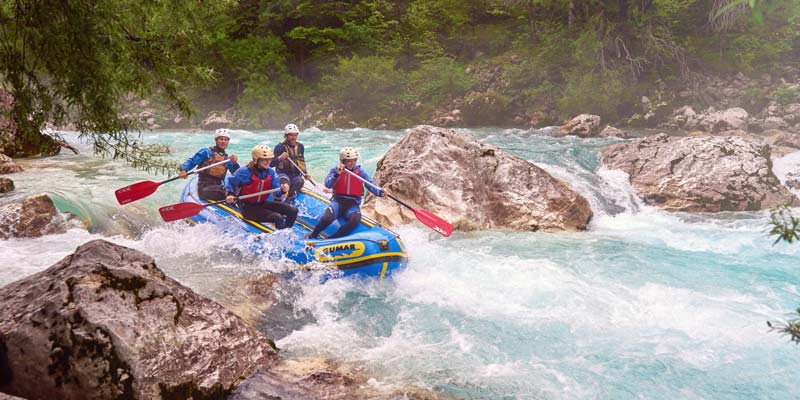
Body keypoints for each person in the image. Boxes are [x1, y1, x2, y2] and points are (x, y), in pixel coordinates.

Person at [305, 147, 389, 239]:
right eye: (349, 161)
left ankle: (334, 238)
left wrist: (380, 192)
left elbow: (370, 184)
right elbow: (328, 184)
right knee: (327, 218)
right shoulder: (335, 170)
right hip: (337, 202)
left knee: (355, 219)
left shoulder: (360, 172)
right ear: (342, 160)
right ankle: (313, 235)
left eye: (354, 160)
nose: (351, 163)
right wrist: (337, 174)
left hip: (353, 204)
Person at [225, 144, 298, 230]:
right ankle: (281, 236)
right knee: (277, 217)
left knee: (293, 210)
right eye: (264, 160)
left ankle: (287, 231)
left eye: (269, 159)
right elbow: (230, 182)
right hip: (247, 207)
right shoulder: (244, 171)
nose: (268, 162)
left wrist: (283, 190)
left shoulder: (271, 172)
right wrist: (230, 194)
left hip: (262, 203)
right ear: (256, 159)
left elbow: (277, 193)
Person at [179, 128, 239, 201]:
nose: (223, 141)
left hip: (218, 186)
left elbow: (237, 174)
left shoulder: (227, 159)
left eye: (226, 140)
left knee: (238, 190)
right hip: (205, 187)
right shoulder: (206, 152)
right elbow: (192, 161)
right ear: (216, 140)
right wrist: (184, 169)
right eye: (221, 139)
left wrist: (235, 163)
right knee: (227, 191)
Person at [270, 123, 312, 202]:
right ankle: (280, 197)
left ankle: (289, 199)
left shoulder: (300, 147)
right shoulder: (280, 147)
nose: (294, 137)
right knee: (285, 184)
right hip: (283, 174)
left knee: (300, 181)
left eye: (295, 135)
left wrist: (305, 173)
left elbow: (301, 161)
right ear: (286, 136)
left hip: (295, 175)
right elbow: (270, 164)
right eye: (291, 135)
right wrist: (280, 158)